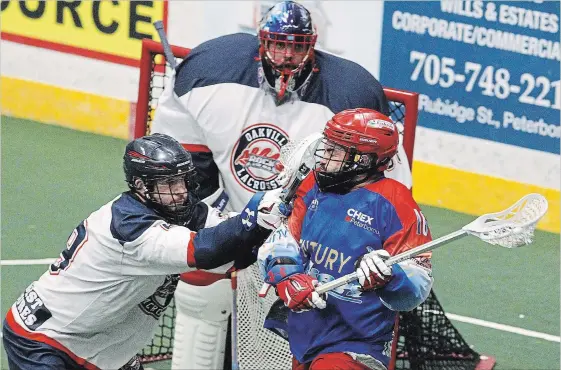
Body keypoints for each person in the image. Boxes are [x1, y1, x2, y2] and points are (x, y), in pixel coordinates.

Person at [151, 1, 412, 368]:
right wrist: (214, 213)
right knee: (198, 282)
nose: (288, 55)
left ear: (313, 44)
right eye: (279, 43)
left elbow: (386, 181)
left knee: (284, 330)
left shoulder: (351, 93)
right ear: (261, 40)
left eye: (297, 45)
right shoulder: (210, 70)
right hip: (237, 215)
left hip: (311, 235)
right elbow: (187, 159)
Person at [1, 134, 286, 370]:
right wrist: (255, 215)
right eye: (169, 184)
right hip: (44, 338)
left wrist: (277, 230)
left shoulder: (184, 211)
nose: (180, 192)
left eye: (183, 181)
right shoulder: (130, 226)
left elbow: (234, 251)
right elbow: (206, 251)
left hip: (100, 344)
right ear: (141, 186)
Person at [258, 108, 433, 370]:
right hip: (306, 332)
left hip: (358, 343)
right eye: (327, 147)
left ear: (363, 160)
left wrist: (391, 275)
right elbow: (284, 241)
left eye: (335, 150)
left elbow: (417, 287)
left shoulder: (396, 203)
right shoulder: (312, 186)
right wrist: (288, 278)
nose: (324, 156)